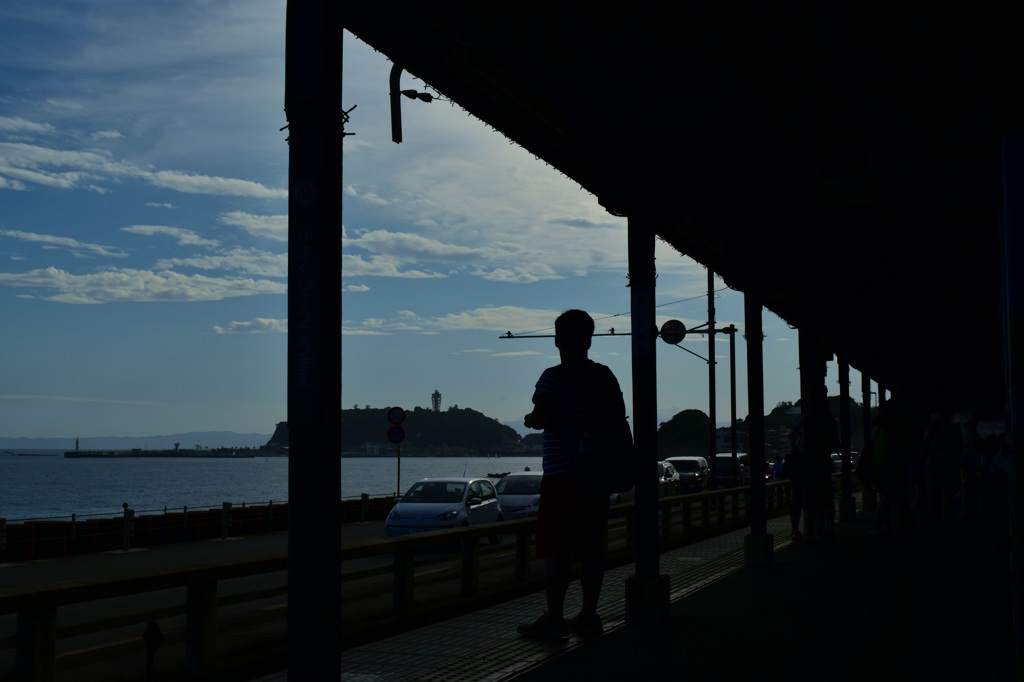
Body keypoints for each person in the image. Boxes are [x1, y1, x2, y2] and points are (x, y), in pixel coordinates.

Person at [516, 309, 625, 639]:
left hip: (562, 475)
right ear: (590, 339)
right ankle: (589, 616)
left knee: (556, 550)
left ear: (557, 340)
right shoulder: (605, 376)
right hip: (596, 476)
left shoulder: (554, 377)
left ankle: (554, 619)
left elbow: (541, 415)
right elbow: (618, 417)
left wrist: (530, 419)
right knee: (592, 549)